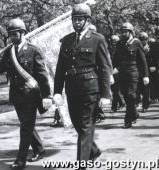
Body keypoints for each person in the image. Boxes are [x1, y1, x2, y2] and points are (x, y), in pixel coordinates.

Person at [0, 18, 52, 170]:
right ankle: (39, 149)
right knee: (27, 125)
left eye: (16, 33)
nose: (13, 37)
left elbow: (42, 75)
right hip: (16, 95)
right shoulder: (9, 52)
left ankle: (20, 161)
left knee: (25, 128)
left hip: (31, 95)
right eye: (11, 34)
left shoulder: (33, 50)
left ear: (22, 33)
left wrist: (47, 96)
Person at [53, 3, 111, 169]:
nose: (77, 22)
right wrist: (57, 91)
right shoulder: (67, 40)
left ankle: (82, 164)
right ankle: (93, 150)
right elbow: (60, 68)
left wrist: (106, 95)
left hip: (90, 88)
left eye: (80, 19)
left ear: (88, 20)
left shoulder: (97, 39)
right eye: (75, 19)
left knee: (86, 126)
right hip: (72, 89)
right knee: (78, 124)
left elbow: (105, 68)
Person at [113, 22, 149, 128]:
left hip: (133, 72)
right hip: (122, 73)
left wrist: (145, 75)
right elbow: (116, 58)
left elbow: (143, 61)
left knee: (130, 95)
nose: (124, 34)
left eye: (126, 32)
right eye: (122, 32)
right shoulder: (119, 43)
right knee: (126, 95)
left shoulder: (137, 42)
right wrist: (113, 68)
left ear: (131, 32)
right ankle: (134, 114)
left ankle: (127, 120)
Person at [110, 35, 125, 112]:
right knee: (114, 90)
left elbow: (123, 60)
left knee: (115, 90)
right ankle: (121, 103)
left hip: (118, 71)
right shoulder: (109, 49)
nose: (113, 43)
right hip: (111, 70)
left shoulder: (121, 49)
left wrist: (118, 69)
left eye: (115, 41)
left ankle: (114, 107)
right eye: (112, 41)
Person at [138, 32, 150, 112]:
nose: (143, 41)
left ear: (147, 39)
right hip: (139, 70)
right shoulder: (137, 47)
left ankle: (145, 105)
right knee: (138, 88)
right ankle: (138, 102)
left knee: (146, 89)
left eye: (144, 39)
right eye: (141, 39)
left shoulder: (150, 47)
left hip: (149, 70)